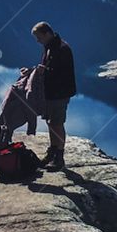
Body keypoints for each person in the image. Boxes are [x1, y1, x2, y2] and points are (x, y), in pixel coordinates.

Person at [32, 21, 76, 170]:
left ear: (47, 34)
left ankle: (59, 157)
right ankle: (53, 152)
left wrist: (45, 71)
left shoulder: (62, 49)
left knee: (57, 123)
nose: (38, 41)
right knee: (51, 122)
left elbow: (63, 73)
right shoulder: (50, 47)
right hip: (51, 92)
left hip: (60, 93)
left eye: (39, 37)